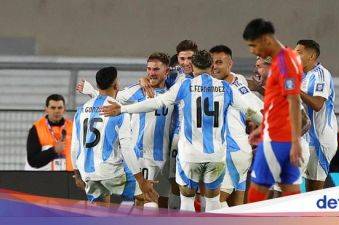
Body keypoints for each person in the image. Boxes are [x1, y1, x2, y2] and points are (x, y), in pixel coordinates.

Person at [101, 50, 263, 212]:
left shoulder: (185, 86)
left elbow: (156, 103)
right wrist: (269, 128)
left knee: (186, 202)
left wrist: (123, 109)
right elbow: (251, 112)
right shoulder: (226, 88)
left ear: (193, 67)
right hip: (216, 155)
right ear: (211, 66)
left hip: (190, 155)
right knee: (213, 203)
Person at [77, 53, 173, 208]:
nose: (151, 73)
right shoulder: (137, 91)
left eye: (156, 69)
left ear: (166, 71)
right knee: (146, 199)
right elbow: (111, 98)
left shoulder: (173, 91)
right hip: (142, 153)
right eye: (148, 69)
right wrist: (92, 91)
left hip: (163, 155)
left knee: (167, 198)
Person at [242, 18, 304, 202]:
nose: (252, 51)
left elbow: (294, 100)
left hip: (277, 139)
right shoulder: (283, 60)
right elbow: (280, 102)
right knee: (290, 193)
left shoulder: (285, 62)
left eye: (253, 45)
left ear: (266, 39)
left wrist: (296, 140)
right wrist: (262, 128)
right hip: (279, 136)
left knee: (255, 196)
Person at [209, 45, 263, 207]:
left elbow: (261, 114)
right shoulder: (237, 79)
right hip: (236, 151)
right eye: (212, 62)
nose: (214, 67)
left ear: (230, 64)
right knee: (236, 206)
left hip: (231, 152)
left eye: (219, 62)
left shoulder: (233, 89)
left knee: (211, 202)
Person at [294, 39, 338, 191]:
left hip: (320, 140)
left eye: (298, 52)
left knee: (314, 193)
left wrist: (296, 90)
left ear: (311, 56)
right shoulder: (301, 76)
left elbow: (318, 104)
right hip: (306, 139)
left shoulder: (321, 74)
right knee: (302, 190)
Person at [26, 94, 73, 171]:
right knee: (46, 147)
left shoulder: (73, 127)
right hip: (45, 177)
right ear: (46, 109)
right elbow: (32, 160)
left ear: (64, 109)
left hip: (69, 177)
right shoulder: (36, 128)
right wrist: (53, 150)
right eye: (53, 108)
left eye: (60, 108)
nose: (57, 111)